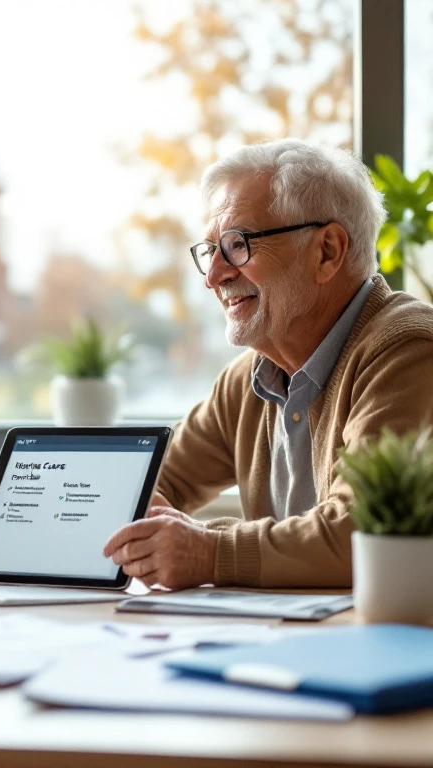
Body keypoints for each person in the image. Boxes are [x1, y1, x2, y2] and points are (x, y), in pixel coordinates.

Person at [103, 139, 433, 589]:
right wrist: (134, 509)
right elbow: (148, 477)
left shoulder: (408, 350)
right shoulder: (249, 378)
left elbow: (364, 532)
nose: (213, 276)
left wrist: (206, 551)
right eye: (211, 250)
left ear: (328, 251)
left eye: (238, 245)